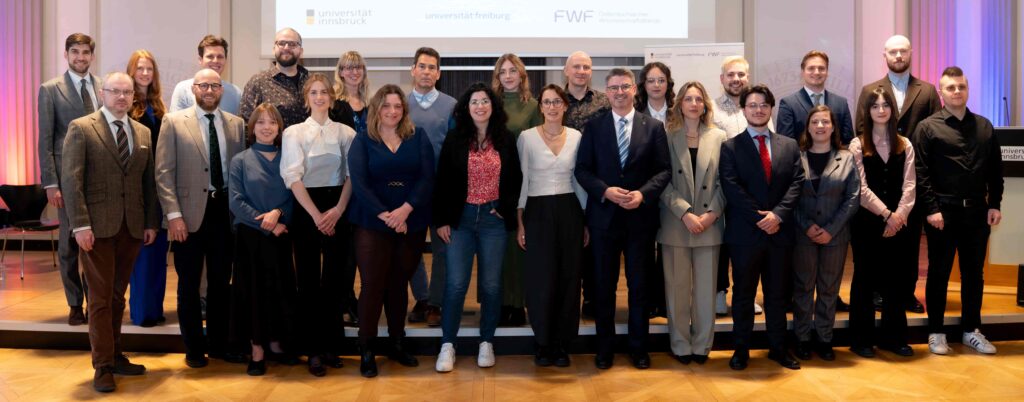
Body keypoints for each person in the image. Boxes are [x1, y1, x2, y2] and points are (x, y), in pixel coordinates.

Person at [61, 72, 158, 392]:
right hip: (96, 228)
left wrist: (150, 222)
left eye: (127, 92)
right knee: (100, 299)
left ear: (133, 97)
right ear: (102, 93)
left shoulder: (142, 132)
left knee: (117, 297)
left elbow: (147, 182)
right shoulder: (82, 128)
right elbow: (72, 181)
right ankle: (102, 365)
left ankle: (116, 355)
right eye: (115, 91)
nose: (121, 97)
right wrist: (80, 225)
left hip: (131, 227)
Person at [575, 68, 671, 370]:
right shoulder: (594, 127)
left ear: (634, 90)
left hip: (640, 220)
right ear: (607, 91)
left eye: (625, 86)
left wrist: (643, 194)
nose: (619, 92)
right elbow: (582, 169)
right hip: (603, 220)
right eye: (614, 87)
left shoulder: (653, 127)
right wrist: (605, 191)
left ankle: (638, 349)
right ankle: (604, 349)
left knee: (640, 287)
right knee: (603, 287)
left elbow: (664, 171)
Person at [156, 68, 246, 368]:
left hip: (224, 214)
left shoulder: (236, 125)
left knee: (221, 283)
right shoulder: (173, 122)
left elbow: (239, 172)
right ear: (193, 89)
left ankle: (219, 345)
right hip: (188, 216)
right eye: (203, 85)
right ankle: (193, 348)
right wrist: (174, 216)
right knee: (189, 284)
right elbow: (163, 173)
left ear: (222, 90)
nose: (209, 91)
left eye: (215, 86)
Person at [433, 83, 522, 372]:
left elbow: (515, 179)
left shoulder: (506, 138)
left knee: (491, 285)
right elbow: (443, 180)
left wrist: (505, 207)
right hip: (460, 219)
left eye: (485, 101)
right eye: (474, 102)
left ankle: (486, 342)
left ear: (493, 106)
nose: (480, 106)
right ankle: (448, 344)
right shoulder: (455, 138)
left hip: (492, 221)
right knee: (456, 284)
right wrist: (442, 220)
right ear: (466, 107)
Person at [348, 84, 435, 377]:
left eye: (398, 106)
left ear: (404, 110)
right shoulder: (363, 139)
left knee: (399, 283)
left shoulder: (417, 136)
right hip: (372, 221)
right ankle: (367, 348)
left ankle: (397, 342)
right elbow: (359, 183)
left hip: (411, 220)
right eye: (386, 105)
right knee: (372, 285)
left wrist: (405, 210)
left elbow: (427, 177)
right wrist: (386, 215)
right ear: (377, 109)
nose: (392, 111)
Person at [915, 67, 1004, 355]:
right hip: (943, 214)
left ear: (967, 89)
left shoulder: (985, 126)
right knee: (939, 273)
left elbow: (995, 170)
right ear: (941, 92)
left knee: (974, 274)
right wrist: (931, 209)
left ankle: (971, 331)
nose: (956, 91)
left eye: (961, 87)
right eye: (951, 87)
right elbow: (920, 173)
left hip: (977, 214)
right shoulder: (927, 127)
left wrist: (995, 203)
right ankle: (936, 332)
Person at [719, 84, 804, 371]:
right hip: (745, 235)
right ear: (743, 110)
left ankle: (778, 349)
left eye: (764, 105)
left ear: (771, 108)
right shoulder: (730, 147)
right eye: (752, 105)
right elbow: (731, 187)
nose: (758, 110)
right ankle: (740, 350)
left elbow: (797, 183)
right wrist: (759, 218)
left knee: (778, 295)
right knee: (743, 295)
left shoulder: (788, 145)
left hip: (780, 233)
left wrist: (777, 216)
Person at [856, 34, 942, 314]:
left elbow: (936, 130)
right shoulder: (870, 90)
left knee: (909, 239)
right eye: (893, 52)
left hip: (914, 175)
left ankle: (906, 293)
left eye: (903, 51)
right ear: (885, 55)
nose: (898, 56)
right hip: (877, 175)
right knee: (878, 241)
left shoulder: (927, 91)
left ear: (911, 53)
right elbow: (861, 129)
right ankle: (879, 292)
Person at [280, 73, 356, 376]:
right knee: (308, 281)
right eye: (313, 92)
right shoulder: (294, 133)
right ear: (306, 98)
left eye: (324, 92)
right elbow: (292, 177)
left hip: (338, 208)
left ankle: (330, 346)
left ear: (332, 97)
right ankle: (311, 349)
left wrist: (337, 210)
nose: (320, 97)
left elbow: (352, 176)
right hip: (306, 210)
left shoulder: (347, 133)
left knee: (335, 281)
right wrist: (315, 215)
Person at [517, 84, 588, 367]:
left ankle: (561, 344)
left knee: (569, 279)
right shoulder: (527, 138)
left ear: (565, 106)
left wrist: (585, 220)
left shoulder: (577, 137)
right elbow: (522, 180)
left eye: (557, 101)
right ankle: (543, 342)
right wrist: (520, 222)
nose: (552, 107)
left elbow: (579, 181)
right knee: (541, 279)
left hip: (570, 209)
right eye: (547, 102)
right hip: (537, 211)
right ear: (541, 107)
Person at [657, 81, 725, 366]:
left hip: (710, 224)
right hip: (676, 224)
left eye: (698, 99)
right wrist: (684, 212)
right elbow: (660, 179)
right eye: (688, 99)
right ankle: (680, 344)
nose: (694, 104)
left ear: (705, 104)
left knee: (706, 291)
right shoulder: (666, 136)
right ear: (680, 104)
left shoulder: (719, 137)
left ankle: (702, 345)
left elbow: (726, 181)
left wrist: (711, 214)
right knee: (677, 290)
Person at [228, 103, 297, 376]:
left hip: (282, 234)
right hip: (250, 237)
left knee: (280, 290)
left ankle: (277, 341)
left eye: (272, 122)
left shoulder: (288, 158)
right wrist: (267, 223)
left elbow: (294, 195)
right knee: (254, 293)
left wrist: (278, 214)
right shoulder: (240, 160)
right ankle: (256, 348)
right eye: (260, 122)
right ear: (252, 127)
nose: (266, 127)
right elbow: (236, 201)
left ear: (279, 127)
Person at [848, 88, 917, 358]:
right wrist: (887, 214)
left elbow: (910, 185)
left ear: (892, 110)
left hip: (898, 224)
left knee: (895, 281)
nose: (880, 110)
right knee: (864, 280)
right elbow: (861, 188)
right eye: (875, 106)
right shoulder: (857, 145)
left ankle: (893, 338)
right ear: (868, 111)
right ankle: (861, 339)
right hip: (867, 223)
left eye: (885, 105)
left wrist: (898, 216)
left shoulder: (905, 144)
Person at [38, 33, 100, 326]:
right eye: (75, 51)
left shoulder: (103, 86)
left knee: (96, 244)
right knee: (68, 246)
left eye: (85, 52)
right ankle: (75, 304)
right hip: (66, 180)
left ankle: (95, 302)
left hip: (99, 179)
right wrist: (51, 183)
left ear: (92, 55)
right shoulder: (50, 89)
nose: (80, 57)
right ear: (66, 54)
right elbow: (46, 140)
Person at [790, 105, 860, 361]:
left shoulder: (846, 158)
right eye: (815, 122)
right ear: (808, 127)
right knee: (803, 287)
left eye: (825, 122)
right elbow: (789, 197)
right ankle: (802, 338)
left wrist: (831, 230)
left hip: (835, 236)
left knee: (829, 288)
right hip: (803, 235)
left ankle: (824, 338)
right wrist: (807, 225)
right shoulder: (796, 157)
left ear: (833, 127)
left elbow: (853, 198)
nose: (820, 126)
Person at [710, 55, 769, 317]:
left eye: (741, 74)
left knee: (749, 245)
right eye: (731, 75)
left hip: (753, 189)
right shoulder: (711, 108)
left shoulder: (758, 107)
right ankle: (719, 293)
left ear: (748, 77)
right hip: (721, 184)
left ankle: (747, 295)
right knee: (721, 242)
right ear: (722, 78)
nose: (736, 79)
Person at [406, 47, 456, 327]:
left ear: (439, 73)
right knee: (411, 249)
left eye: (432, 67)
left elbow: (457, 150)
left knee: (442, 250)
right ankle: (422, 298)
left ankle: (436, 302)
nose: (426, 72)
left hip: (440, 190)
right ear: (413, 70)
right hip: (409, 192)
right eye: (422, 66)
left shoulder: (451, 106)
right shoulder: (398, 104)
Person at [492, 53, 541, 326]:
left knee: (518, 246)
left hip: (521, 183)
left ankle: (518, 303)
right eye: (503, 72)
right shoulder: (490, 104)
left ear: (521, 75)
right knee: (495, 247)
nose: (508, 76)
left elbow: (537, 145)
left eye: (513, 71)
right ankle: (499, 303)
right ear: (497, 76)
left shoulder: (533, 106)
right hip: (492, 184)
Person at [562, 50, 610, 320]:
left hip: (595, 180)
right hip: (562, 179)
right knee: (569, 242)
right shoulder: (555, 100)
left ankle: (591, 297)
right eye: (577, 67)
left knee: (595, 243)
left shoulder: (604, 101)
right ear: (566, 71)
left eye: (586, 67)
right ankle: (567, 298)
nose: (581, 71)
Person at [125, 49, 170, 327]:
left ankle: (154, 309)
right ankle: (142, 312)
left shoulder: (159, 105)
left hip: (158, 188)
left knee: (157, 253)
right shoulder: (127, 105)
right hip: (137, 187)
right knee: (141, 253)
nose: (144, 73)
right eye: (140, 68)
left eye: (149, 69)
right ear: (131, 72)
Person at [326, 50, 367, 326]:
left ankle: (357, 301)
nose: (353, 72)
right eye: (348, 67)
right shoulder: (334, 106)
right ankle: (343, 301)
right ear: (340, 72)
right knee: (344, 249)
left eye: (358, 67)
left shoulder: (370, 105)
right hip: (342, 183)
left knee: (362, 247)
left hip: (367, 184)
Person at [636, 61, 676, 319]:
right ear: (644, 85)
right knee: (645, 249)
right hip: (645, 189)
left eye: (661, 80)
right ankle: (649, 300)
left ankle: (665, 301)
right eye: (651, 80)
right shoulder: (635, 114)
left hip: (675, 188)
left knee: (668, 249)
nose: (656, 85)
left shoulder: (678, 113)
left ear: (668, 84)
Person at [776, 51, 854, 144]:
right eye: (811, 68)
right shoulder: (788, 104)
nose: (817, 72)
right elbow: (785, 144)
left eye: (821, 68)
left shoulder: (841, 103)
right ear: (802, 72)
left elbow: (848, 142)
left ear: (827, 72)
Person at [240, 27, 309, 127]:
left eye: (292, 44)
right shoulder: (258, 82)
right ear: (274, 49)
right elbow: (246, 125)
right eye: (281, 43)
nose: (286, 47)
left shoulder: (311, 82)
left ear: (301, 51)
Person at [169, 35, 242, 115]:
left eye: (220, 57)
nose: (215, 61)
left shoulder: (235, 93)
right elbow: (175, 121)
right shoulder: (183, 90)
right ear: (200, 60)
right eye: (210, 56)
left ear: (225, 60)